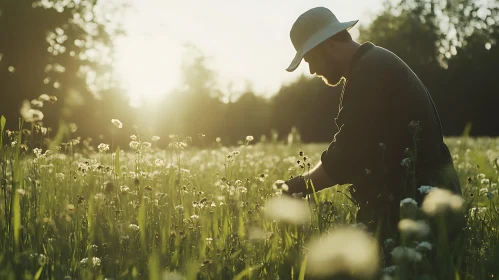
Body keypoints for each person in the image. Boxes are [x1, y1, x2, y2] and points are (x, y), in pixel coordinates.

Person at [283, 7, 462, 244]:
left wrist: (296, 186)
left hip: (423, 212)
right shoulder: (371, 64)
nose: (312, 70)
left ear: (328, 46)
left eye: (309, 59)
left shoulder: (369, 72)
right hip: (425, 205)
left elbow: (346, 156)